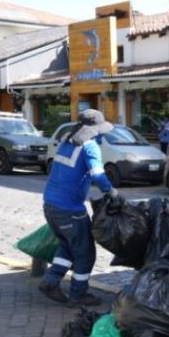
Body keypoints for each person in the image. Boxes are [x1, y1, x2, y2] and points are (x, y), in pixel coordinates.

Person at [38, 109, 121, 307]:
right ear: (94, 131)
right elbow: (98, 175)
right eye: (100, 131)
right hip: (70, 210)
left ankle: (50, 282)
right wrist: (112, 193)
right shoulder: (89, 146)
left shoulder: (67, 143)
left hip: (50, 205)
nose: (101, 135)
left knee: (67, 246)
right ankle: (78, 295)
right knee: (85, 252)